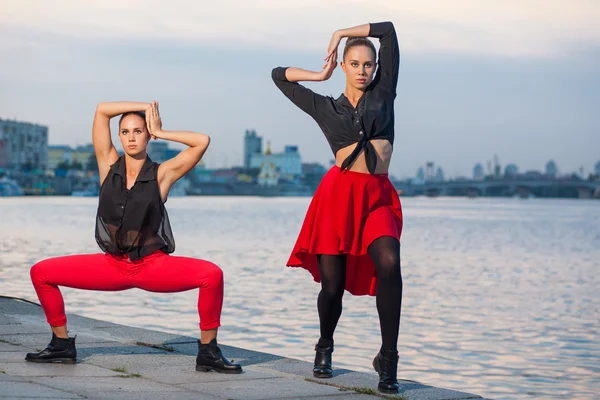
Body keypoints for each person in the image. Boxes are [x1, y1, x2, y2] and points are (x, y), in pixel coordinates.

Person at [26, 101, 242, 374]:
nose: (131, 137)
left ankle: (208, 353)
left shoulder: (162, 175)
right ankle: (61, 344)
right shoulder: (108, 166)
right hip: (112, 265)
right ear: (119, 136)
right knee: (41, 272)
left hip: (151, 266)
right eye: (126, 132)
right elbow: (102, 110)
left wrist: (161, 130)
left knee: (212, 275)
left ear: (147, 135)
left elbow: (201, 141)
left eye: (138, 131)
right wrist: (141, 105)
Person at [272, 22, 402, 393]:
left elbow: (389, 32)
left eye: (368, 65)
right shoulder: (325, 107)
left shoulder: (384, 93)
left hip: (377, 197)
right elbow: (278, 77)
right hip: (337, 199)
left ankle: (388, 358)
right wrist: (319, 73)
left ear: (376, 69)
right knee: (333, 285)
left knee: (390, 262)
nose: (362, 71)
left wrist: (341, 33)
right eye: (355, 64)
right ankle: (324, 345)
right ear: (344, 67)